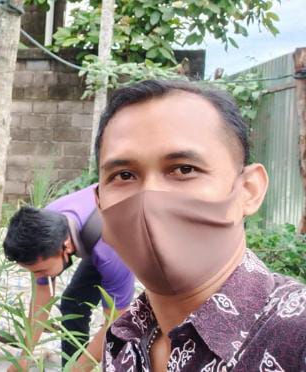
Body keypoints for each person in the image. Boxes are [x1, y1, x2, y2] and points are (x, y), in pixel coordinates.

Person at [95, 80, 306, 371]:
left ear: (248, 190)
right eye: (124, 175)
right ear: (99, 204)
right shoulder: (123, 339)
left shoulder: (297, 337)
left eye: (184, 169)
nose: (150, 199)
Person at [3, 189, 135, 371]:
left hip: (144, 235)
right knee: (73, 304)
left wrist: (77, 370)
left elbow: (115, 323)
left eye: (40, 271)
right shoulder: (45, 225)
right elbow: (42, 298)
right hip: (98, 234)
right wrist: (24, 357)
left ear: (65, 246)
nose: (37, 277)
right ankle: (70, 363)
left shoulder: (111, 250)